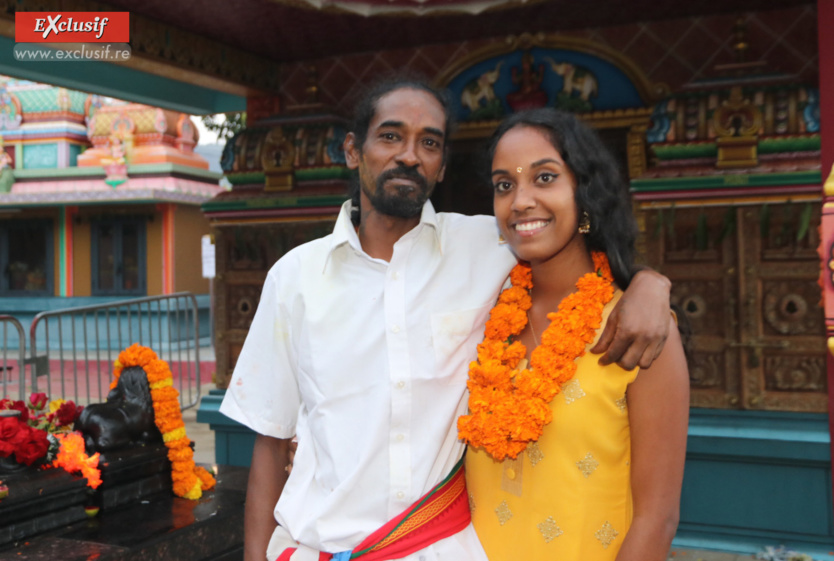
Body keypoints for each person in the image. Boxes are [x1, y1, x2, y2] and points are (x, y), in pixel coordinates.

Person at [220, 78, 674, 561]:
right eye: (391, 136)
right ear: (353, 150)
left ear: (441, 167)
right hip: (318, 547)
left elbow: (573, 245)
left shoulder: (490, 245)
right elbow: (271, 441)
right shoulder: (295, 277)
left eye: (429, 143)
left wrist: (650, 284)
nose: (409, 156)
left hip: (439, 546)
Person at [461, 108, 689, 561]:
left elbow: (657, 519)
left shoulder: (637, 327)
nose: (520, 201)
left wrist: (649, 282)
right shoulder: (480, 315)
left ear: (585, 192)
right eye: (504, 185)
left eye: (544, 178)